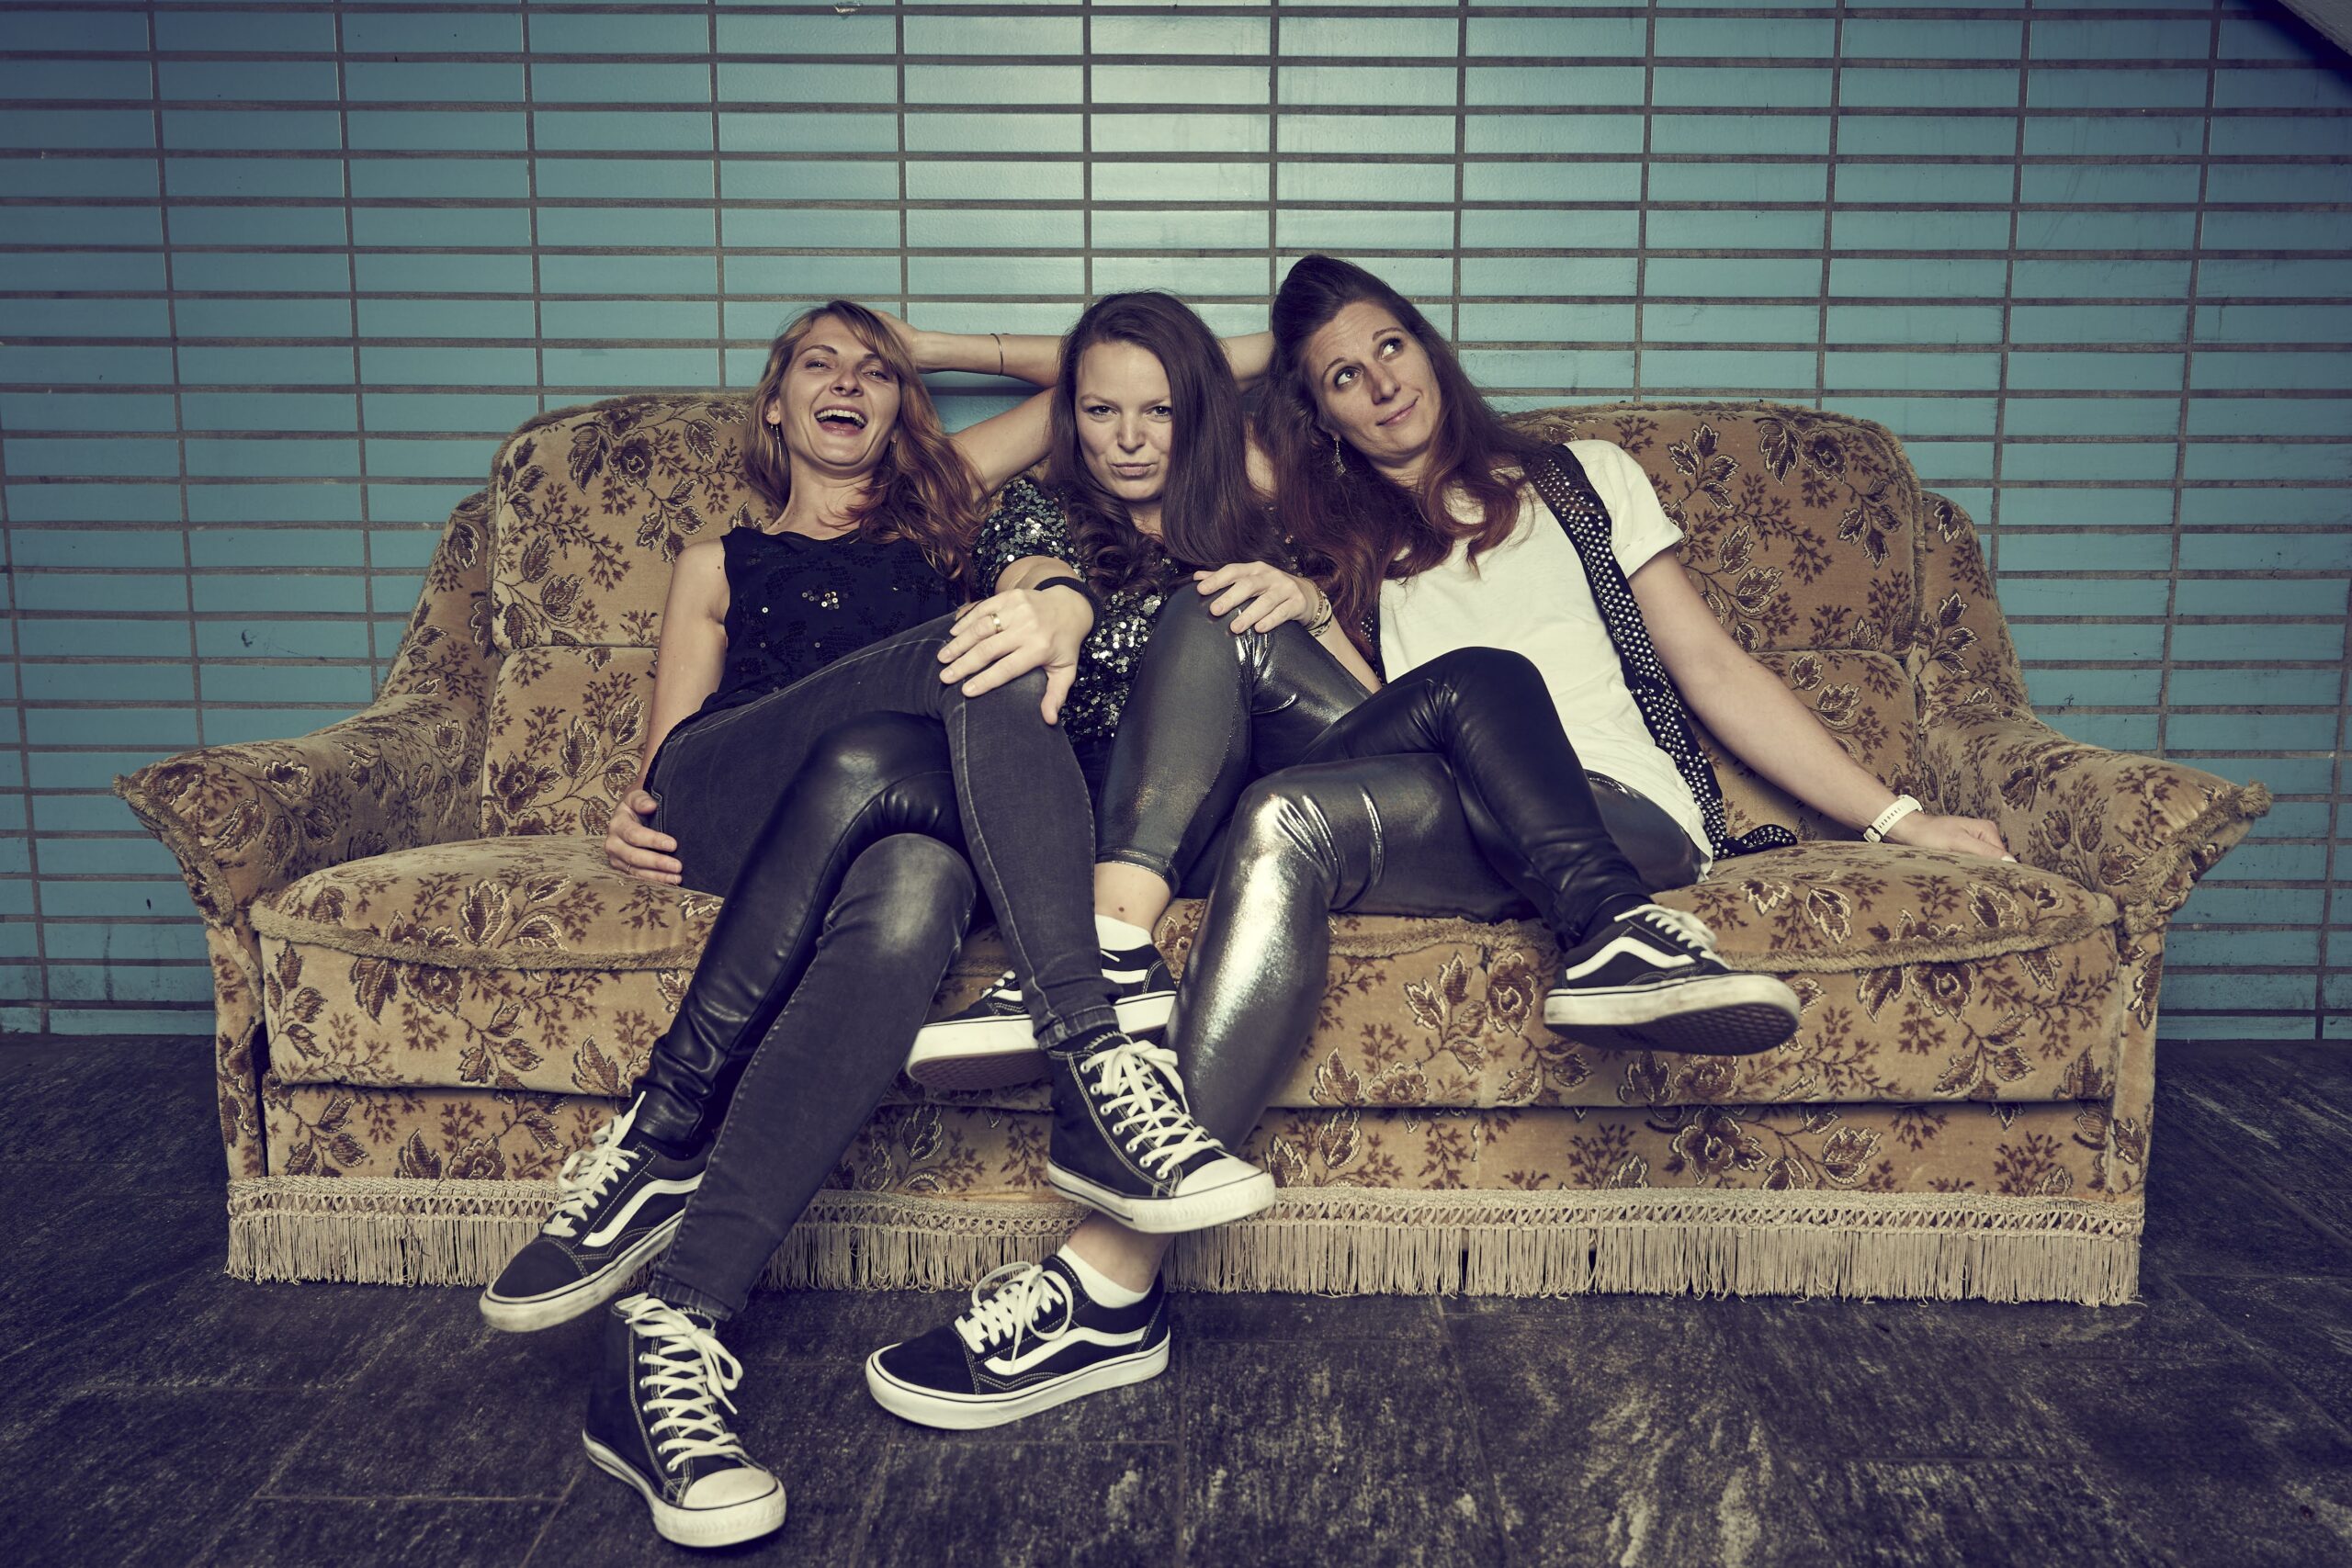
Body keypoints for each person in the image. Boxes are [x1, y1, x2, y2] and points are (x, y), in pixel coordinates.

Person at [870, 255, 2013, 1427]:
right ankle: (1120, 1127)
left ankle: (1109, 1270)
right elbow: (1160, 384)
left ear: (1429, 343)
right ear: (1313, 410)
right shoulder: (1319, 519)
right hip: (1433, 789)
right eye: (1340, 378)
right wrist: (1298, 595)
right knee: (1281, 771)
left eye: (1390, 348)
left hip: (1615, 810)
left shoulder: (1584, 479)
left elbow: (1713, 668)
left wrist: (1896, 817)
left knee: (1485, 675)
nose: (1378, 385)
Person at [475, 301, 1269, 1549]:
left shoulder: (944, 506)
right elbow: (669, 764)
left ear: (905, 410)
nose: (847, 381)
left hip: (882, 801)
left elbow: (1183, 365)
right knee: (984, 643)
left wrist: (934, 350)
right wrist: (630, 813)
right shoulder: (719, 558)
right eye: (819, 363)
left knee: (915, 883)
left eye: (874, 370)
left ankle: (669, 1325)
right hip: (741, 795)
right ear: (775, 401)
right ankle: (1089, 1055)